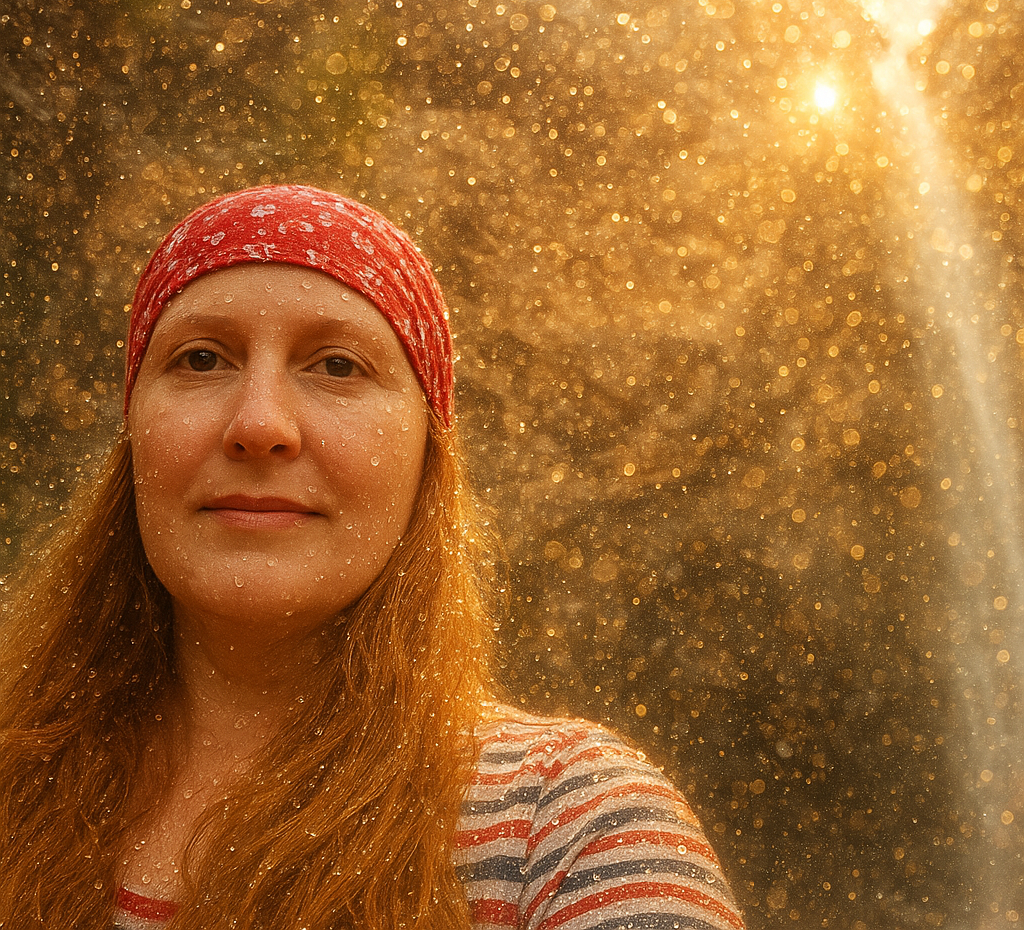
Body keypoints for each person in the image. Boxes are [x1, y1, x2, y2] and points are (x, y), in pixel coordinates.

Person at [0, 184, 744, 929]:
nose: (259, 423)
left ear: (428, 458)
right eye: (201, 358)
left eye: (337, 366)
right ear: (132, 434)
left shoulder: (571, 828)